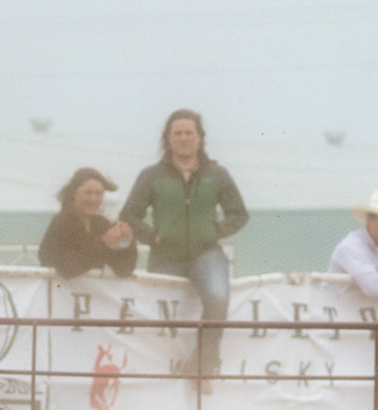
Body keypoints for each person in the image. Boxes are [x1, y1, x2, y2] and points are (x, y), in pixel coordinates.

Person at [120, 110, 249, 381]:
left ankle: (202, 365)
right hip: (165, 257)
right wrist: (152, 236)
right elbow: (130, 214)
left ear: (200, 138)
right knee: (160, 318)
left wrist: (214, 230)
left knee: (217, 297)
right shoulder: (151, 175)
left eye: (189, 132)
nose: (183, 138)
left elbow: (239, 214)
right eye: (177, 133)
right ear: (168, 139)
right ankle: (152, 373)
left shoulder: (217, 174)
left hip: (207, 254)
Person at [38, 168, 136, 279]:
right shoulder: (62, 221)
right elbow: (66, 268)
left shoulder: (101, 224)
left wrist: (127, 241)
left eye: (98, 194)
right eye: (87, 193)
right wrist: (103, 243)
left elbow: (123, 269)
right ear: (74, 194)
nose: (93, 199)